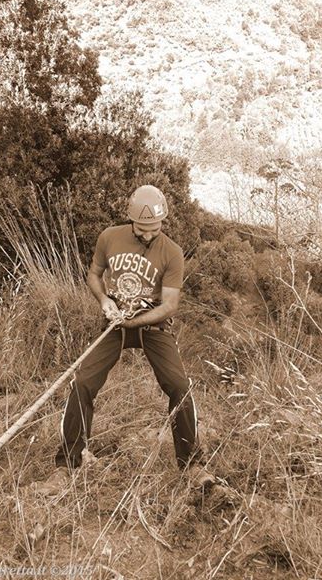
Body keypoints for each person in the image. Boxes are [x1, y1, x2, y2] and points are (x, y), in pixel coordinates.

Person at [36, 185, 214, 495]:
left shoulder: (171, 252)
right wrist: (105, 300)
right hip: (114, 323)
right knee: (83, 382)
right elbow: (94, 275)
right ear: (131, 220)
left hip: (153, 326)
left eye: (155, 228)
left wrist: (134, 321)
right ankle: (67, 466)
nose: (148, 234)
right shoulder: (109, 237)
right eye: (142, 228)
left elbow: (170, 305)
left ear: (163, 221)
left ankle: (192, 465)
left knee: (179, 385)